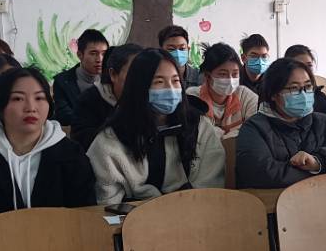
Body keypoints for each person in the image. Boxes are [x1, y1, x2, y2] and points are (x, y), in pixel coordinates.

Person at [0, 67, 96, 219]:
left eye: (39, 98)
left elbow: (85, 216)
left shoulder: (71, 154)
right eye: (18, 99)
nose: (31, 108)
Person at [87, 48, 225, 204]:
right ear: (139, 87)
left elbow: (210, 187)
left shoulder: (199, 127)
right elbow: (108, 204)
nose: (170, 89)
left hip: (192, 212)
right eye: (159, 82)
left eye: (175, 81)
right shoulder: (111, 139)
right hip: (134, 217)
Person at [236, 58, 326, 188]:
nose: (303, 94)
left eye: (308, 87)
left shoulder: (323, 122)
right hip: (275, 199)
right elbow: (261, 174)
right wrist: (320, 171)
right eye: (294, 88)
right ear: (274, 94)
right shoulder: (254, 128)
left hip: (322, 196)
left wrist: (318, 163)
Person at [71, 43, 142, 151]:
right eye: (133, 73)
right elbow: (82, 143)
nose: (140, 80)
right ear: (113, 74)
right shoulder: (88, 100)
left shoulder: (150, 98)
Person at [185, 43, 259, 138]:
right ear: (208, 76)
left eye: (235, 74)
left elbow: (255, 130)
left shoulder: (246, 96)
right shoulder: (192, 97)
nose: (230, 79)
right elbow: (197, 134)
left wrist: (219, 135)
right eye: (223, 74)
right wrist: (234, 134)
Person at [52, 28, 109, 127]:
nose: (100, 59)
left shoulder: (112, 79)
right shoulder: (62, 81)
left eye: (104, 54)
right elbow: (64, 116)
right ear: (80, 55)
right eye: (93, 53)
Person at [283, 44, 326, 123]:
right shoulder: (282, 98)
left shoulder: (322, 99)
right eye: (299, 66)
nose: (306, 70)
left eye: (309, 65)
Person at [157, 24, 201, 90]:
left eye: (182, 48)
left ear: (188, 50)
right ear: (161, 51)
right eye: (171, 49)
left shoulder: (199, 77)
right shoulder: (154, 77)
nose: (177, 53)